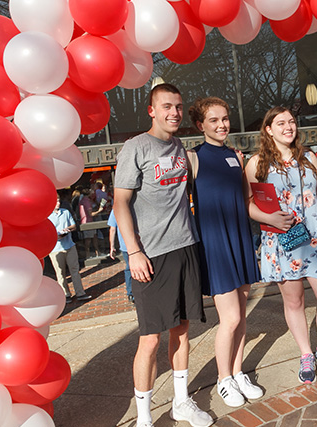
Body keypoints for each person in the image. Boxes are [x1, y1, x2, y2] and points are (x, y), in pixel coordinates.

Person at [113, 83, 212, 427]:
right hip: (152, 255)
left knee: (182, 330)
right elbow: (120, 202)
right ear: (152, 110)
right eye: (167, 106)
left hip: (185, 248)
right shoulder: (135, 147)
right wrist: (134, 252)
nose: (174, 113)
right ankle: (143, 418)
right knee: (150, 338)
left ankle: (181, 403)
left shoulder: (179, 145)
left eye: (179, 107)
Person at [244, 106, 317, 385]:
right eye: (280, 123)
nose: (288, 127)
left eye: (291, 121)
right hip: (282, 240)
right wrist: (268, 217)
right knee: (294, 302)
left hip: (315, 240)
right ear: (268, 129)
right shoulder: (257, 164)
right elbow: (248, 205)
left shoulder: (309, 160)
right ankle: (306, 354)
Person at [187, 97, 263, 407]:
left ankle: (237, 371)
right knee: (230, 319)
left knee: (242, 315)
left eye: (225, 118)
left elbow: (246, 200)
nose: (222, 125)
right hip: (215, 245)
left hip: (241, 239)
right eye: (214, 120)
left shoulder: (236, 156)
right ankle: (223, 379)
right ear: (200, 125)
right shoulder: (193, 157)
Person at [47, 193, 91, 304]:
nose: (58, 203)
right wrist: (57, 235)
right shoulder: (47, 216)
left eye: (59, 200)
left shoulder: (65, 212)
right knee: (60, 273)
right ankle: (66, 295)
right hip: (56, 249)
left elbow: (73, 225)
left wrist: (67, 230)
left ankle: (80, 293)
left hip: (69, 245)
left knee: (75, 270)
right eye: (56, 201)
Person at [108, 210, 134, 304]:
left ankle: (131, 293)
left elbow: (112, 229)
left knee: (130, 268)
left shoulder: (116, 208)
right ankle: (131, 292)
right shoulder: (116, 209)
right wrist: (112, 247)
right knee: (130, 268)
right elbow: (112, 229)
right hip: (129, 245)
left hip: (126, 245)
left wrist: (112, 247)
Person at [78, 187, 104, 258]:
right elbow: (90, 214)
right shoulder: (86, 201)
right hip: (88, 222)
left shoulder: (83, 200)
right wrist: (99, 210)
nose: (94, 193)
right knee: (88, 240)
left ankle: (97, 252)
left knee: (94, 237)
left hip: (88, 222)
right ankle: (88, 255)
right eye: (92, 191)